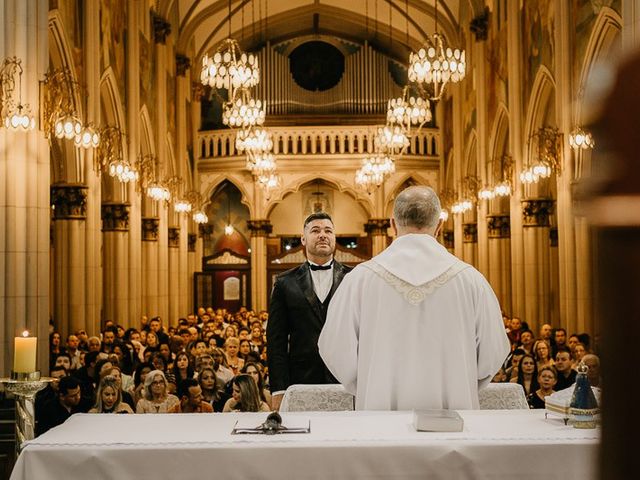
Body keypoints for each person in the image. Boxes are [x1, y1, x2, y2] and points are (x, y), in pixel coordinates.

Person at [319, 186, 509, 410]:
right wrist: (460, 382)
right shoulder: (471, 280)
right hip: (453, 417)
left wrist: (370, 385)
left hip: (379, 415)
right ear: (439, 226)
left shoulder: (360, 279)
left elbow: (334, 348)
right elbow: (493, 352)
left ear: (392, 225)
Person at [267, 212, 352, 410]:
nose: (323, 235)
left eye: (328, 230)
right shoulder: (284, 283)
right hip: (300, 381)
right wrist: (278, 390)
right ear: (303, 239)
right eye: (315, 230)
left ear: (334, 238)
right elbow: (276, 341)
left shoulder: (353, 278)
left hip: (346, 380)